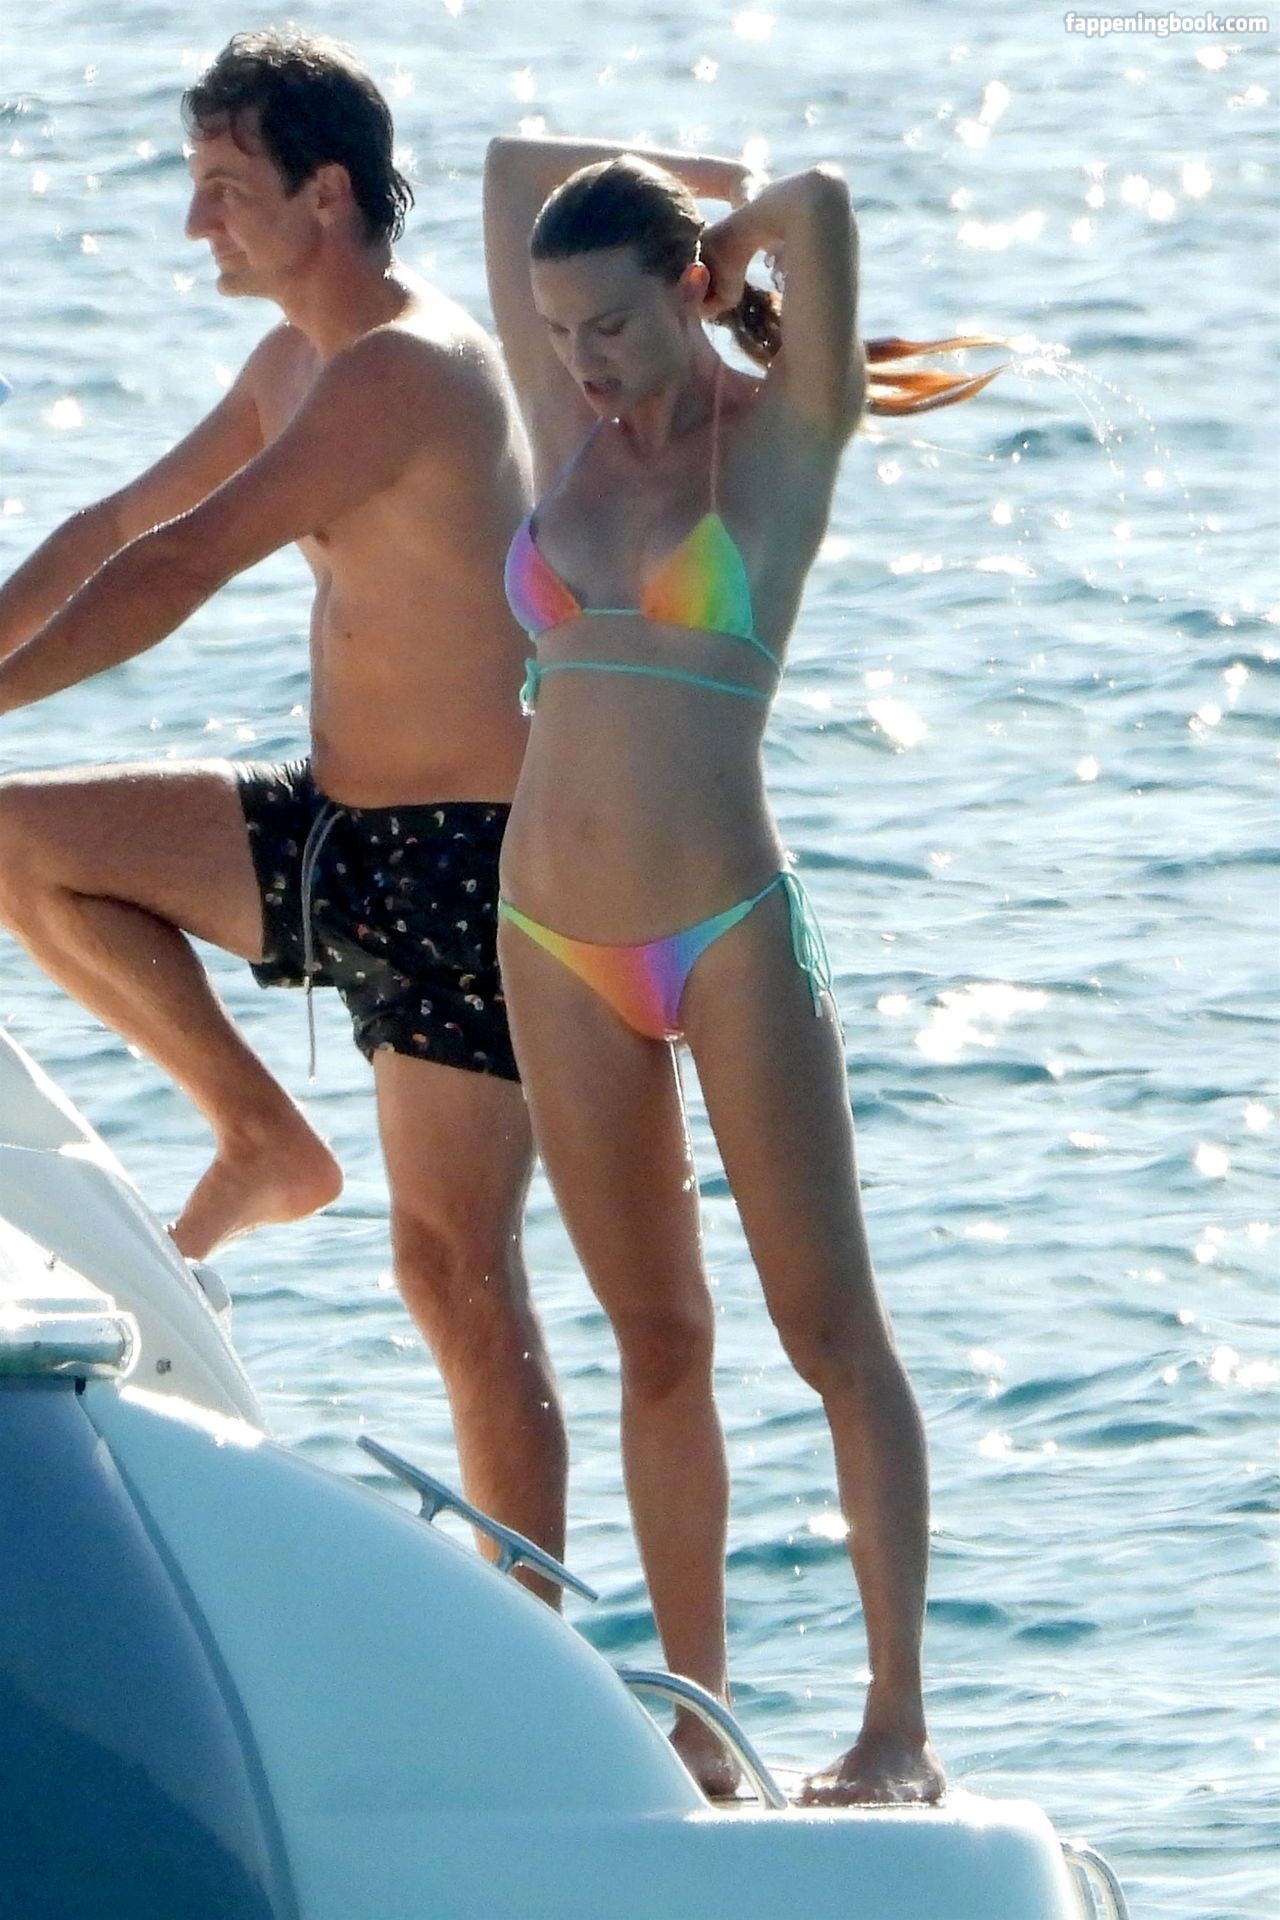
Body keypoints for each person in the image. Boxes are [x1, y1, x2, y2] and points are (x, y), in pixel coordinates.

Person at [0, 31, 567, 1584]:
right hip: (332, 828)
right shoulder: (292, 363)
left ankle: (532, 1627)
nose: (197, 221)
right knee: (21, 841)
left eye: (223, 185)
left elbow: (181, 567)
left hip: (466, 865)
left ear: (326, 193)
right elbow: (118, 524)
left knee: (455, 1274)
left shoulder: (405, 366)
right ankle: (261, 1135)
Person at [483, 134, 1000, 1800]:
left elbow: (825, 208)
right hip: (547, 935)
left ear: (691, 295)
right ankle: (698, 1729)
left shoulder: (784, 438)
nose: (582, 361)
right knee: (655, 1340)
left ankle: (897, 1729)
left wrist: (728, 229)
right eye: (558, 332)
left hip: (724, 932)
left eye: (613, 326)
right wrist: (653, 216)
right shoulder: (566, 429)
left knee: (830, 1329)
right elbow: (508, 167)